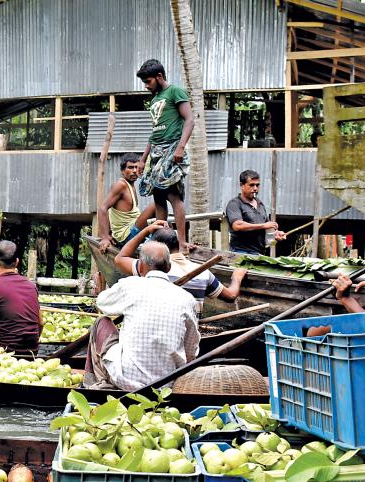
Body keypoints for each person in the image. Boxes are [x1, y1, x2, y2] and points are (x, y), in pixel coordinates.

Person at [83, 241, 199, 390]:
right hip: (166, 386)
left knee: (101, 322)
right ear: (168, 268)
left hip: (125, 380)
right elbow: (191, 352)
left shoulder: (130, 285)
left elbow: (101, 302)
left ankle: (91, 383)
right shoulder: (187, 298)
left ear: (141, 266)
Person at [114, 220, 247, 315]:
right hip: (189, 337)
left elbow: (120, 258)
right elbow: (231, 296)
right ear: (177, 244)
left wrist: (145, 231)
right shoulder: (204, 273)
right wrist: (237, 277)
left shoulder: (151, 268)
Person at [136, 59, 195, 254]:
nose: (146, 86)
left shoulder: (175, 91)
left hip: (172, 148)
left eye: (148, 81)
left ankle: (181, 241)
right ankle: (161, 240)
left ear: (159, 77)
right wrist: (143, 159)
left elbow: (189, 120)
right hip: (156, 152)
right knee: (158, 197)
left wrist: (180, 147)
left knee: (173, 196)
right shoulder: (154, 100)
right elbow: (154, 133)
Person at [97, 153, 156, 252]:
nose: (134, 171)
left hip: (133, 230)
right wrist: (105, 237)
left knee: (163, 215)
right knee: (155, 205)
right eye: (130, 167)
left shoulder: (131, 186)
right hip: (126, 236)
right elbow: (102, 208)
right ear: (123, 171)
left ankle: (168, 240)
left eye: (136, 167)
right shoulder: (121, 185)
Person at [225, 170, 286, 255]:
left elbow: (267, 232)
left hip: (259, 253)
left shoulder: (260, 204)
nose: (255, 188)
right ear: (242, 185)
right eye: (251, 185)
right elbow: (237, 225)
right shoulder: (235, 203)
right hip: (241, 253)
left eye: (257, 185)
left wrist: (276, 234)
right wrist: (263, 225)